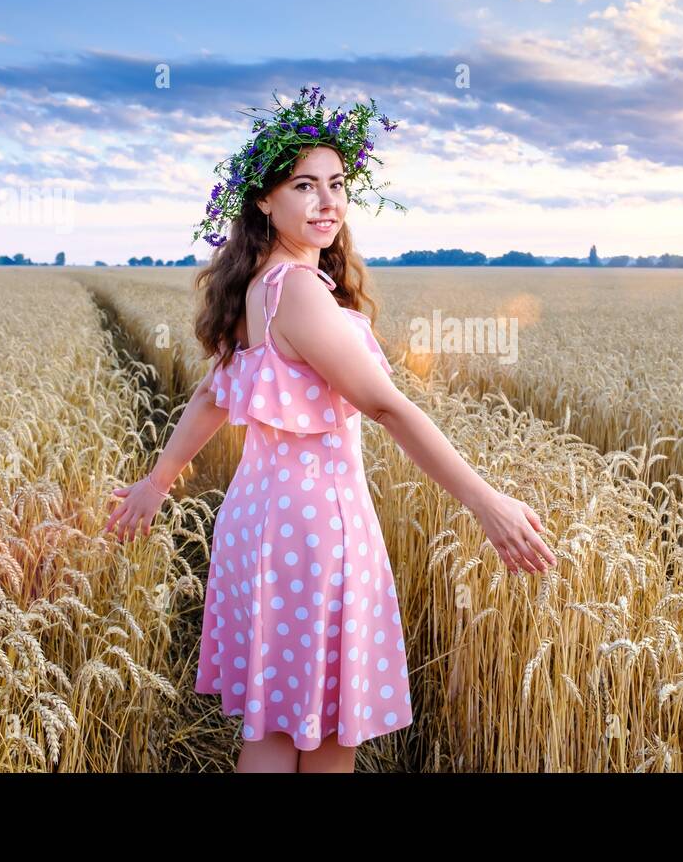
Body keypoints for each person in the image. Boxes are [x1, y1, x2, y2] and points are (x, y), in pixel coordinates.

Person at [104, 85, 555, 773]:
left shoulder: (257, 286)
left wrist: (157, 482)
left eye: (338, 185)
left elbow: (211, 394)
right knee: (326, 733)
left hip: (260, 521)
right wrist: (485, 502)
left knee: (277, 726)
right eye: (304, 186)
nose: (327, 203)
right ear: (264, 200)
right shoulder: (300, 292)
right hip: (317, 530)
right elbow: (385, 407)